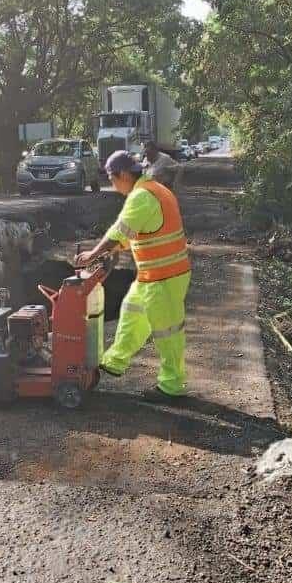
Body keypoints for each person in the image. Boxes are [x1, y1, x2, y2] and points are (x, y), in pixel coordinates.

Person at [75, 150, 190, 401]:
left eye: (112, 179)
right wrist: (112, 253)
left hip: (165, 277)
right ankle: (115, 361)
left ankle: (171, 385)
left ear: (124, 174)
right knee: (131, 311)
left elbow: (119, 232)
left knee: (167, 331)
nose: (113, 185)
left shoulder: (141, 196)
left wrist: (92, 255)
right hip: (153, 274)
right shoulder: (155, 190)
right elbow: (134, 235)